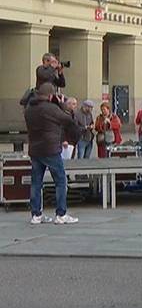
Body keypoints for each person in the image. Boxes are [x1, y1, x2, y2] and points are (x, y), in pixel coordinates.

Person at [24, 83, 81, 225]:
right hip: (50, 149)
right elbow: (68, 120)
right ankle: (61, 214)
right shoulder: (51, 108)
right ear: (50, 95)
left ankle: (36, 215)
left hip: (35, 150)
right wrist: (62, 105)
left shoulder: (29, 109)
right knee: (61, 181)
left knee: (36, 182)